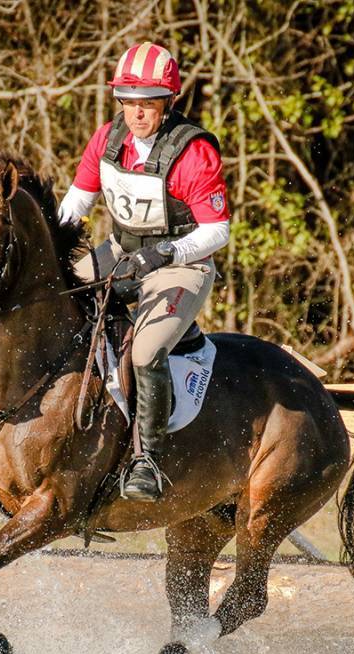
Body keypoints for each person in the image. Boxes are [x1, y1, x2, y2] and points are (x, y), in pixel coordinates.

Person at [58, 42, 231, 502]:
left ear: (167, 101)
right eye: (129, 102)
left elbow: (218, 231)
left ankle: (147, 461)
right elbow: (78, 201)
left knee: (144, 351)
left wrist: (165, 255)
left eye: (148, 102)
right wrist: (54, 249)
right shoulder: (107, 138)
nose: (136, 113)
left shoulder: (193, 152)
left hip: (182, 265)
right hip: (121, 249)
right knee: (54, 302)